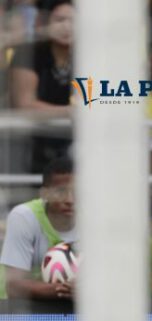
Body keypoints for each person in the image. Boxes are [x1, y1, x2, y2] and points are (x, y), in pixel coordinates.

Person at [9, 0, 73, 173]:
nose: (66, 27)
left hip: (72, 144)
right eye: (59, 20)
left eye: (74, 21)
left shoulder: (93, 57)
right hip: (27, 144)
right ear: (46, 23)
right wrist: (72, 112)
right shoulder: (27, 53)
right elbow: (25, 105)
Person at [1, 156, 74, 300]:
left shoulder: (98, 220)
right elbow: (13, 287)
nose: (70, 200)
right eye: (60, 192)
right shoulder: (23, 217)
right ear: (45, 194)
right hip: (19, 312)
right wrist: (65, 289)